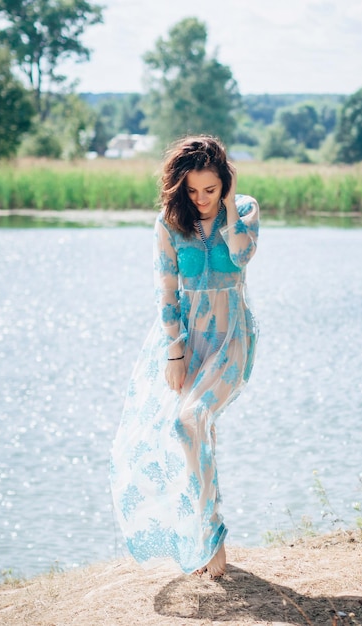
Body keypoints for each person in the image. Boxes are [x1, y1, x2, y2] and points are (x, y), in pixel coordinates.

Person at [110, 135, 259, 579]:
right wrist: (173, 353)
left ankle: (211, 537)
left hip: (231, 335)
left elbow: (242, 254)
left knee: (189, 421)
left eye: (210, 190)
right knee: (193, 429)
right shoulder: (169, 223)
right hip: (185, 342)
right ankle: (201, 535)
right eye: (192, 191)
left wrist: (230, 207)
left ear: (225, 183)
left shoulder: (245, 209)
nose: (201, 200)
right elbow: (166, 291)